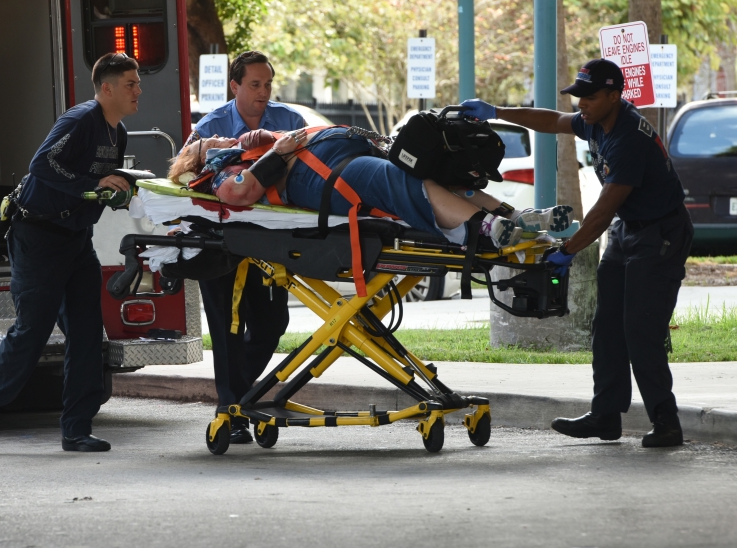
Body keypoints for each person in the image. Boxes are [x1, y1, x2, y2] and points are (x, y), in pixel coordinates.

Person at [460, 58, 692, 448]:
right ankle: (605, 416)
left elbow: (603, 209)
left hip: (661, 233)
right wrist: (496, 112)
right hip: (628, 229)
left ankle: (666, 423)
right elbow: (552, 121)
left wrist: (567, 249)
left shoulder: (628, 139)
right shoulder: (597, 120)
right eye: (578, 95)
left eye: (590, 96)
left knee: (641, 329)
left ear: (614, 96)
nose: (581, 103)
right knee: (607, 329)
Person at [0, 53, 141, 454]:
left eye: (138, 83)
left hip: (76, 241)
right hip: (37, 238)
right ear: (106, 88)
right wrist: (92, 181)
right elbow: (42, 165)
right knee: (32, 334)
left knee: (88, 333)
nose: (138, 91)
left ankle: (76, 429)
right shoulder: (79, 120)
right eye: (130, 84)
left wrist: (116, 191)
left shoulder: (118, 132)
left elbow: (92, 187)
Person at [170, 127, 571, 250]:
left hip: (336, 161)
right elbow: (238, 195)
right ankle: (480, 230)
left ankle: (514, 217)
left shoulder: (250, 144)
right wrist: (275, 151)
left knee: (429, 174)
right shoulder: (221, 172)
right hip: (321, 179)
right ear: (201, 161)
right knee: (390, 179)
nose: (221, 138)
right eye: (211, 142)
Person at [183, 51, 306, 445]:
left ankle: (236, 400)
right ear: (235, 86)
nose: (264, 92)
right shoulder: (211, 126)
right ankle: (232, 410)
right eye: (255, 84)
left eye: (268, 84)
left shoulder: (289, 122)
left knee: (273, 324)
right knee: (227, 329)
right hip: (223, 240)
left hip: (272, 239)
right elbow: (186, 175)